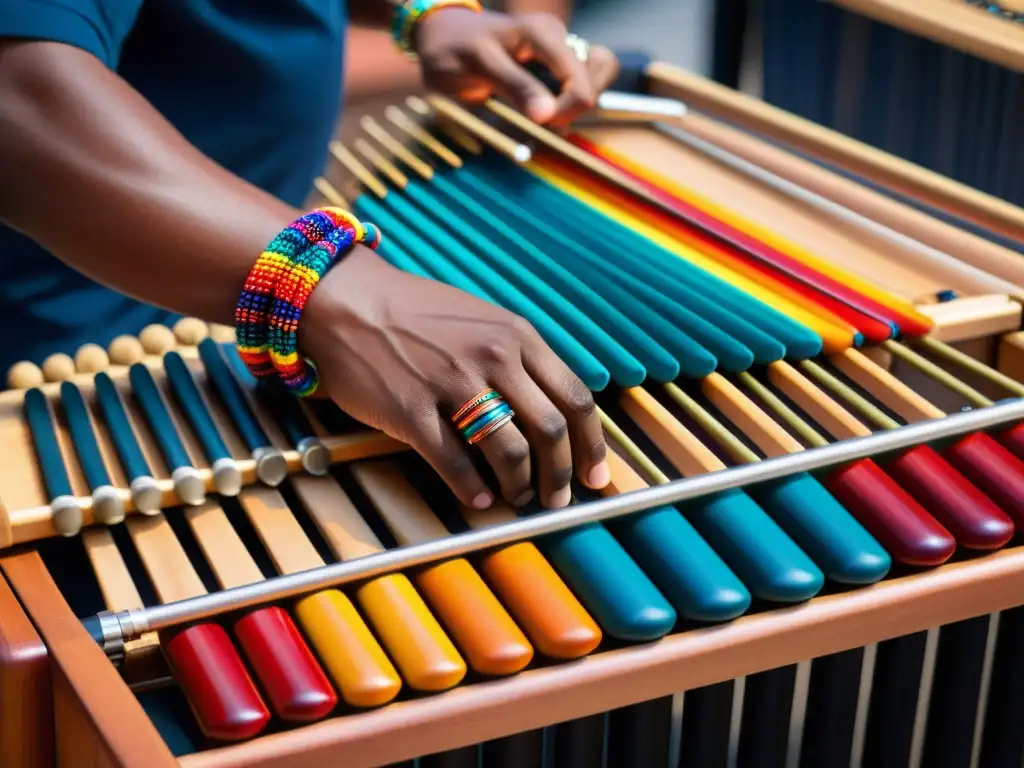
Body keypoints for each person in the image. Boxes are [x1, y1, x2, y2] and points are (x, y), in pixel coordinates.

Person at [0, 1, 621, 514]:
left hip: (242, 336)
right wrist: (340, 293)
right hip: (58, 389)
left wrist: (428, 14)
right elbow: (19, 100)